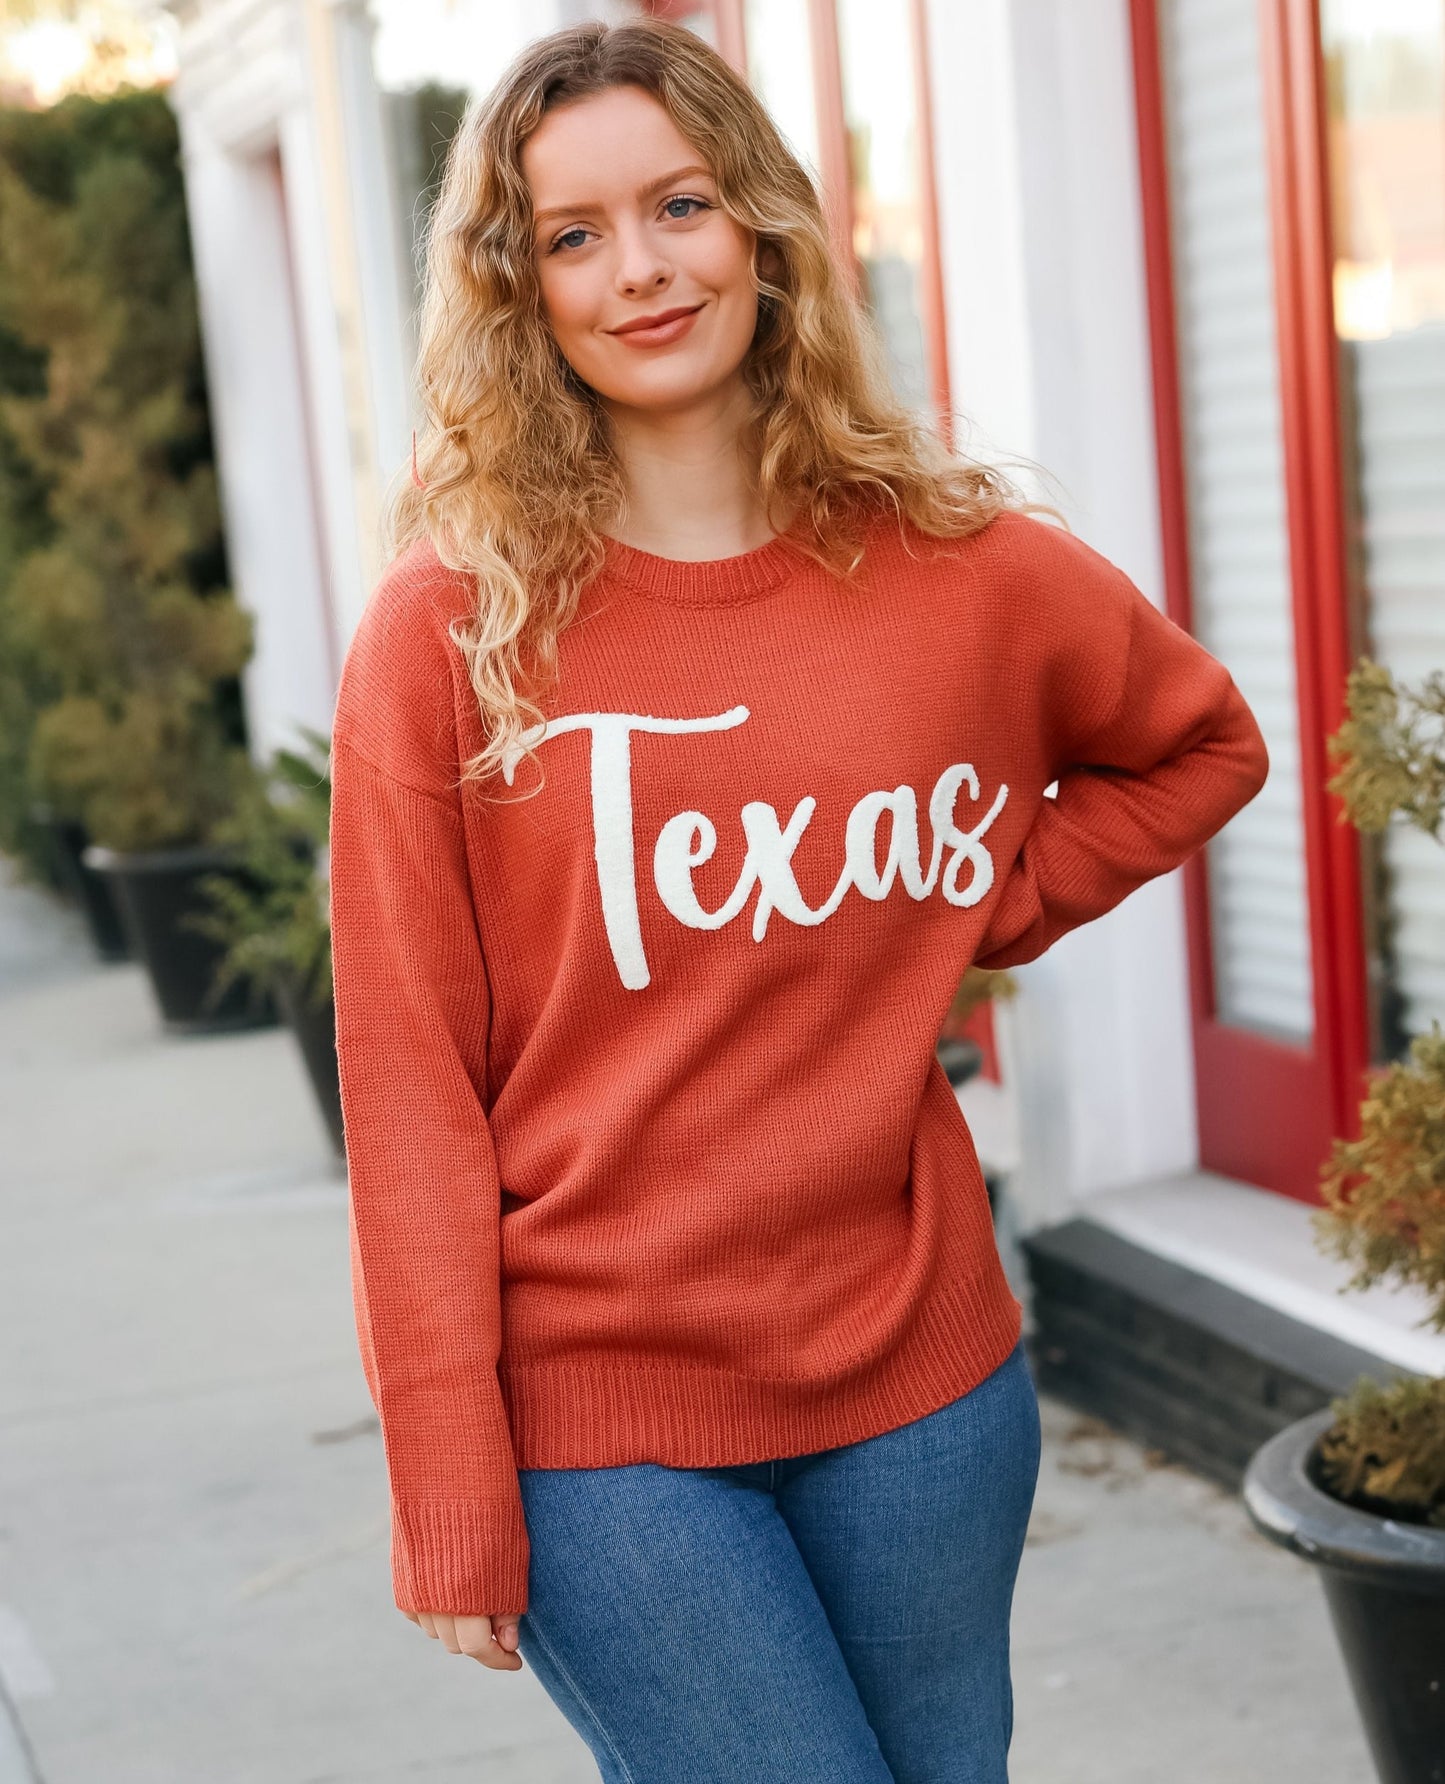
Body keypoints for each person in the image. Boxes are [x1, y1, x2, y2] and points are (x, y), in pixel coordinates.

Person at [327, 17, 1268, 1783]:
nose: (641, 270)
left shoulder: (966, 573)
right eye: (574, 233)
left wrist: (974, 904)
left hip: (921, 1380)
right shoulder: (449, 630)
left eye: (677, 204)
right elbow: (404, 1080)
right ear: (517, 286)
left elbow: (1198, 746)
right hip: (601, 1415)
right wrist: (442, 1458)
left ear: (758, 222)